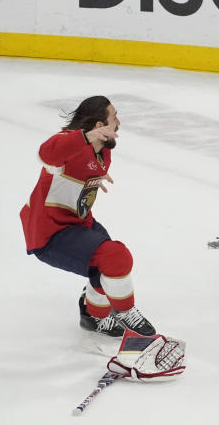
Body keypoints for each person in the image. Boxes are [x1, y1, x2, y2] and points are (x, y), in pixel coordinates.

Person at [20, 96, 157, 343]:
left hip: (79, 223)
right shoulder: (69, 142)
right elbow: (46, 154)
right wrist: (84, 138)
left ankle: (94, 316)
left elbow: (80, 174)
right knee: (116, 256)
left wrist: (92, 181)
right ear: (97, 126)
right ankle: (125, 312)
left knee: (108, 264)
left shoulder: (103, 151)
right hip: (51, 232)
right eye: (114, 117)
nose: (119, 123)